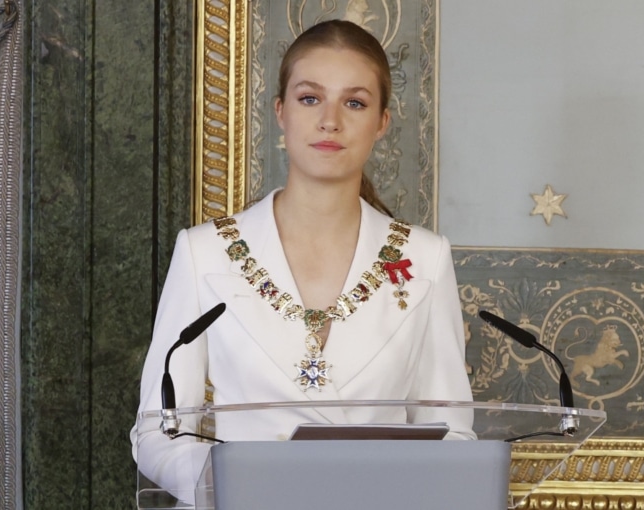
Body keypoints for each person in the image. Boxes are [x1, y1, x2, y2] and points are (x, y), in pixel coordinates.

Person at [131, 19, 474, 502]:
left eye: (354, 102)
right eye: (310, 98)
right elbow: (157, 431)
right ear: (281, 112)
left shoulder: (425, 258)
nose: (330, 120)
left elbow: (453, 433)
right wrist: (237, 486)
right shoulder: (204, 251)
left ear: (381, 122)